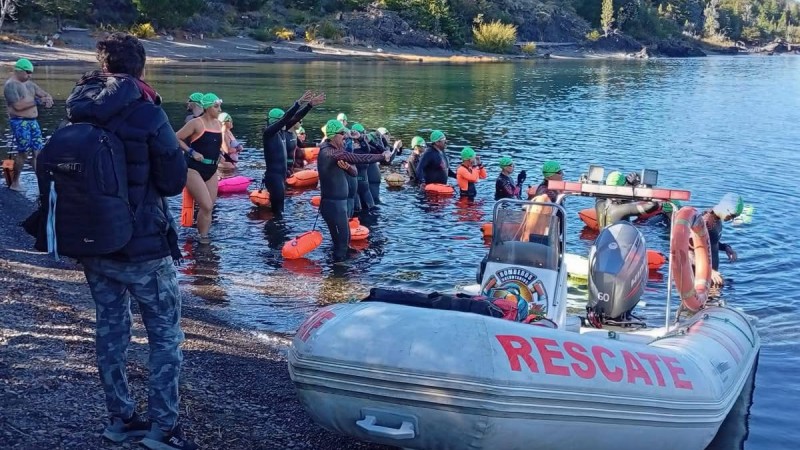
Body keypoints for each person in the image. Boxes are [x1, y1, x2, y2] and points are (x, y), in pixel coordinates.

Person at [64, 32, 195, 449]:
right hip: (144, 248)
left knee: (110, 331)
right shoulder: (147, 113)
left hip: (93, 241)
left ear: (103, 66)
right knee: (165, 339)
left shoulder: (79, 108)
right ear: (141, 68)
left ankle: (120, 419)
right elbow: (174, 182)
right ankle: (164, 429)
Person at [317, 119, 391, 261]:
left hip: (339, 205)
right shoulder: (330, 153)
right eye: (342, 134)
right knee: (342, 244)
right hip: (333, 205)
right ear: (332, 135)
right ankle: (337, 277)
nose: (345, 137)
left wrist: (349, 168)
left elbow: (354, 172)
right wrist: (381, 156)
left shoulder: (336, 152)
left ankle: (342, 273)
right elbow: (358, 157)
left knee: (345, 240)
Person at [176, 93, 223, 244]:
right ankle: (203, 240)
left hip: (211, 169)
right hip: (193, 168)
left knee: (209, 207)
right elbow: (176, 138)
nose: (219, 110)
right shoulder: (196, 123)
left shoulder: (218, 124)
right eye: (216, 107)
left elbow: (213, 144)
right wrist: (191, 152)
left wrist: (220, 154)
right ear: (207, 108)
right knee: (206, 205)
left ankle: (203, 236)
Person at [3, 58, 54, 191]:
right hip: (20, 122)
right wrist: (38, 101)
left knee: (38, 152)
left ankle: (41, 183)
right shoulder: (11, 85)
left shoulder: (30, 84)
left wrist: (48, 99)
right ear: (18, 71)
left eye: (31, 73)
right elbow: (18, 106)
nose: (30, 75)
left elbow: (43, 94)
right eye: (27, 72)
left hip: (33, 122)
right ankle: (15, 183)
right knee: (23, 152)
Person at [262, 91, 315, 215]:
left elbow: (295, 117)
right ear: (276, 121)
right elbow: (287, 117)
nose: (287, 123)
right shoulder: (269, 133)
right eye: (282, 121)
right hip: (274, 178)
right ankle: (273, 233)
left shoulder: (281, 131)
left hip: (281, 176)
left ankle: (277, 231)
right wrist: (298, 103)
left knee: (280, 211)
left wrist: (309, 106)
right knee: (278, 212)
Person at [705, 193, 742, 286]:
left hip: (711, 275)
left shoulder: (716, 219)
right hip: (699, 277)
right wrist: (709, 270)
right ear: (725, 208)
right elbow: (688, 252)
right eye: (732, 216)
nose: (732, 220)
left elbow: (711, 243)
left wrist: (726, 248)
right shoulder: (705, 222)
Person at [283, 92, 325, 174]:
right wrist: (308, 105)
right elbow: (296, 116)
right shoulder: (283, 133)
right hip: (284, 169)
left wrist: (317, 145)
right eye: (300, 121)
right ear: (294, 121)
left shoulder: (294, 134)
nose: (301, 123)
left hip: (291, 168)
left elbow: (302, 145)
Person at [350, 123, 375, 211]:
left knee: (369, 209)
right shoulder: (349, 149)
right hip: (359, 184)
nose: (364, 135)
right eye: (363, 133)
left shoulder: (363, 148)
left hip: (362, 185)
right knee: (362, 210)